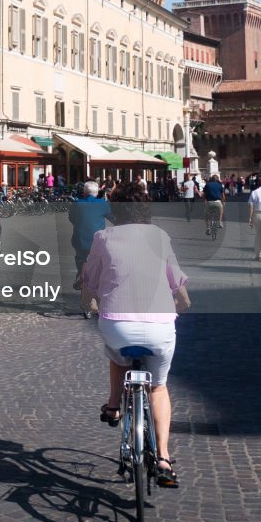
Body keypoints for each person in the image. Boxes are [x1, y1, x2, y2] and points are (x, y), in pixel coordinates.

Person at [81, 182, 190, 488]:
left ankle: (114, 404)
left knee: (117, 356)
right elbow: (175, 278)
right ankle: (165, 458)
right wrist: (181, 298)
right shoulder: (160, 236)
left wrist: (89, 287)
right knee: (158, 387)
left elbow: (90, 276)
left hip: (118, 322)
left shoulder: (102, 237)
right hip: (159, 324)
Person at [67, 180, 112, 292]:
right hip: (98, 240)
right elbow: (113, 217)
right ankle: (96, 281)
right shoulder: (102, 203)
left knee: (80, 257)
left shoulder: (77, 204)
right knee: (99, 260)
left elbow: (72, 218)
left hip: (80, 240)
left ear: (84, 192)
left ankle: (80, 274)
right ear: (96, 193)